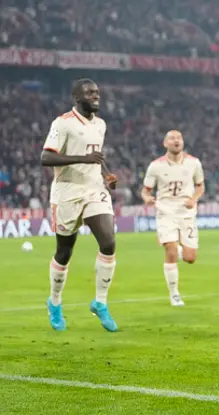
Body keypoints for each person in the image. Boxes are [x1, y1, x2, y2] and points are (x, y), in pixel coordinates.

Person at [42, 78, 119, 332]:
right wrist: (83, 158)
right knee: (64, 252)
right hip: (67, 193)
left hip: (94, 189)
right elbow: (46, 157)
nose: (96, 96)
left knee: (108, 242)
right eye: (90, 93)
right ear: (77, 98)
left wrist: (106, 174)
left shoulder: (101, 124)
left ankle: (100, 302)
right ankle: (54, 303)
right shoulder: (62, 123)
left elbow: (95, 156)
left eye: (97, 92)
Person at [141, 130, 205, 306]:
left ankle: (176, 247)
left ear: (182, 142)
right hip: (165, 212)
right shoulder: (155, 166)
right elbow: (145, 191)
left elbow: (200, 187)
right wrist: (148, 199)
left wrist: (194, 199)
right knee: (170, 249)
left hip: (186, 214)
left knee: (190, 258)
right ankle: (174, 294)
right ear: (165, 143)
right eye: (172, 138)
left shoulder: (194, 163)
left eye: (179, 138)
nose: (176, 141)